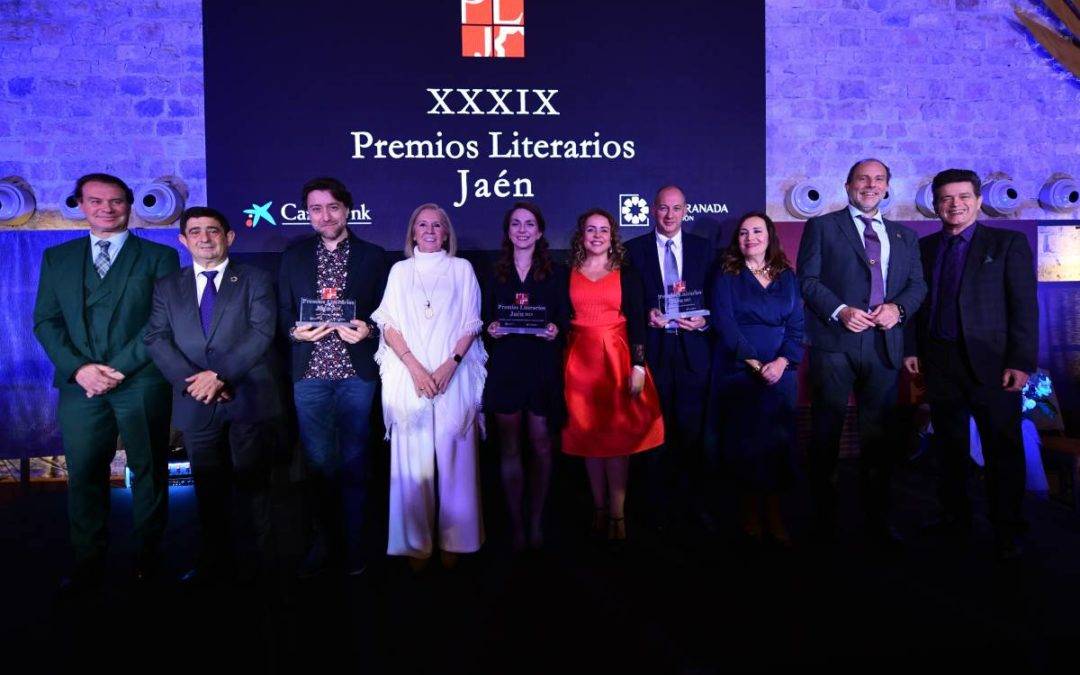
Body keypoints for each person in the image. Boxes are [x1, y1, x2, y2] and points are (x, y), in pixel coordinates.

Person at [33, 173, 180, 593]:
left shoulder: (158, 256)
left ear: (129, 204)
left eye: (116, 201)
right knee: (84, 474)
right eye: (96, 201)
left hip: (140, 381)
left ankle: (148, 557)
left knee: (149, 470)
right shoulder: (57, 258)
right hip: (80, 386)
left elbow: (160, 321)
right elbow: (45, 320)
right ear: (81, 204)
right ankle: (88, 560)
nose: (106, 209)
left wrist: (115, 369)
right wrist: (80, 370)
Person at [903, 169, 1037, 561]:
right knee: (948, 448)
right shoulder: (923, 248)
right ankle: (954, 517)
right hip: (940, 362)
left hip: (994, 365)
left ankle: (1008, 527)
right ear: (935, 204)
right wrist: (912, 348)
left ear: (978, 201)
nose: (954, 204)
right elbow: (916, 305)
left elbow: (1024, 307)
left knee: (1003, 450)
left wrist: (1021, 360)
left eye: (963, 197)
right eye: (945, 198)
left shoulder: (1008, 243)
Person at [145, 206, 284, 585]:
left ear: (230, 236)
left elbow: (261, 332)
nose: (205, 238)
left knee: (256, 489)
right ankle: (216, 565)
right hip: (197, 402)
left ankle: (265, 568)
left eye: (213, 231)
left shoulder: (255, 279)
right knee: (208, 492)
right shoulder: (167, 286)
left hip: (248, 398)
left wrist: (219, 376)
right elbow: (156, 338)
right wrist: (196, 382)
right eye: (195, 232)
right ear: (183, 240)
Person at [796, 158, 926, 550]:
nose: (870, 185)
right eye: (862, 179)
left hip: (885, 344)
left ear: (887, 187)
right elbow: (808, 280)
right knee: (825, 435)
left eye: (878, 179)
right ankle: (823, 520)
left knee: (879, 439)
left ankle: (877, 519)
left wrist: (897, 309)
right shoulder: (822, 226)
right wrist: (841, 311)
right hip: (836, 343)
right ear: (847, 184)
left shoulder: (905, 236)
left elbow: (918, 286)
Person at [278, 177, 387, 577]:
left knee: (357, 463)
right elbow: (284, 313)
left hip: (357, 374)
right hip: (309, 375)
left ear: (347, 210)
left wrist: (369, 330)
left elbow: (385, 314)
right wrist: (295, 331)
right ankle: (324, 543)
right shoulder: (293, 257)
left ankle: (356, 547)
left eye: (333, 208)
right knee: (319, 465)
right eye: (316, 209)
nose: (325, 216)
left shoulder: (374, 257)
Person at [371, 203, 486, 566]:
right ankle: (414, 543)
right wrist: (416, 370)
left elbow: (471, 322)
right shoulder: (400, 272)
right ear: (413, 233)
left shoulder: (462, 269)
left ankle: (458, 540)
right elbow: (387, 325)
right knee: (412, 462)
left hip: (454, 372)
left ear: (447, 232)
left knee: (457, 458)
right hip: (411, 375)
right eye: (423, 225)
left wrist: (449, 366)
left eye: (437, 225)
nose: (431, 230)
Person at [562, 208, 665, 543]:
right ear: (581, 234)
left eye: (603, 230)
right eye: (590, 230)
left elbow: (637, 321)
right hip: (579, 365)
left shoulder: (627, 273)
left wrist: (638, 365)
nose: (596, 235)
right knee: (590, 442)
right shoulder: (568, 272)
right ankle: (599, 509)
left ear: (612, 236)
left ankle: (618, 514)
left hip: (618, 363)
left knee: (617, 443)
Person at [708, 212, 804, 546]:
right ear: (737, 239)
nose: (751, 237)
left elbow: (797, 326)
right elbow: (725, 323)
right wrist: (754, 363)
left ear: (770, 235)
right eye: (744, 233)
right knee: (746, 445)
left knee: (777, 445)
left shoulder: (787, 276)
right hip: (740, 371)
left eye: (757, 231)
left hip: (781, 374)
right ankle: (749, 514)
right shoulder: (727, 274)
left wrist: (780, 362)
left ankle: (776, 515)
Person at [624, 185, 716, 533]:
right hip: (655, 354)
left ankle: (691, 505)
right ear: (652, 210)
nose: (669, 215)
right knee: (653, 436)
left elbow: (716, 298)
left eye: (676, 209)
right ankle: (654, 510)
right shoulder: (633, 251)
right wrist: (646, 313)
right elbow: (628, 304)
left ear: (685, 211)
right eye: (663, 208)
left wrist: (704, 320)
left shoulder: (704, 250)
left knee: (692, 436)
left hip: (693, 353)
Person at [483, 202, 567, 552]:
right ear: (508, 231)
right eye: (515, 224)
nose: (522, 230)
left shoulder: (557, 272)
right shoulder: (492, 271)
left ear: (540, 231)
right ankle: (517, 527)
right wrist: (490, 327)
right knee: (510, 448)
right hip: (505, 366)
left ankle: (536, 523)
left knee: (542, 444)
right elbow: (483, 317)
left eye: (529, 224)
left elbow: (563, 316)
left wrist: (554, 329)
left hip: (541, 365)